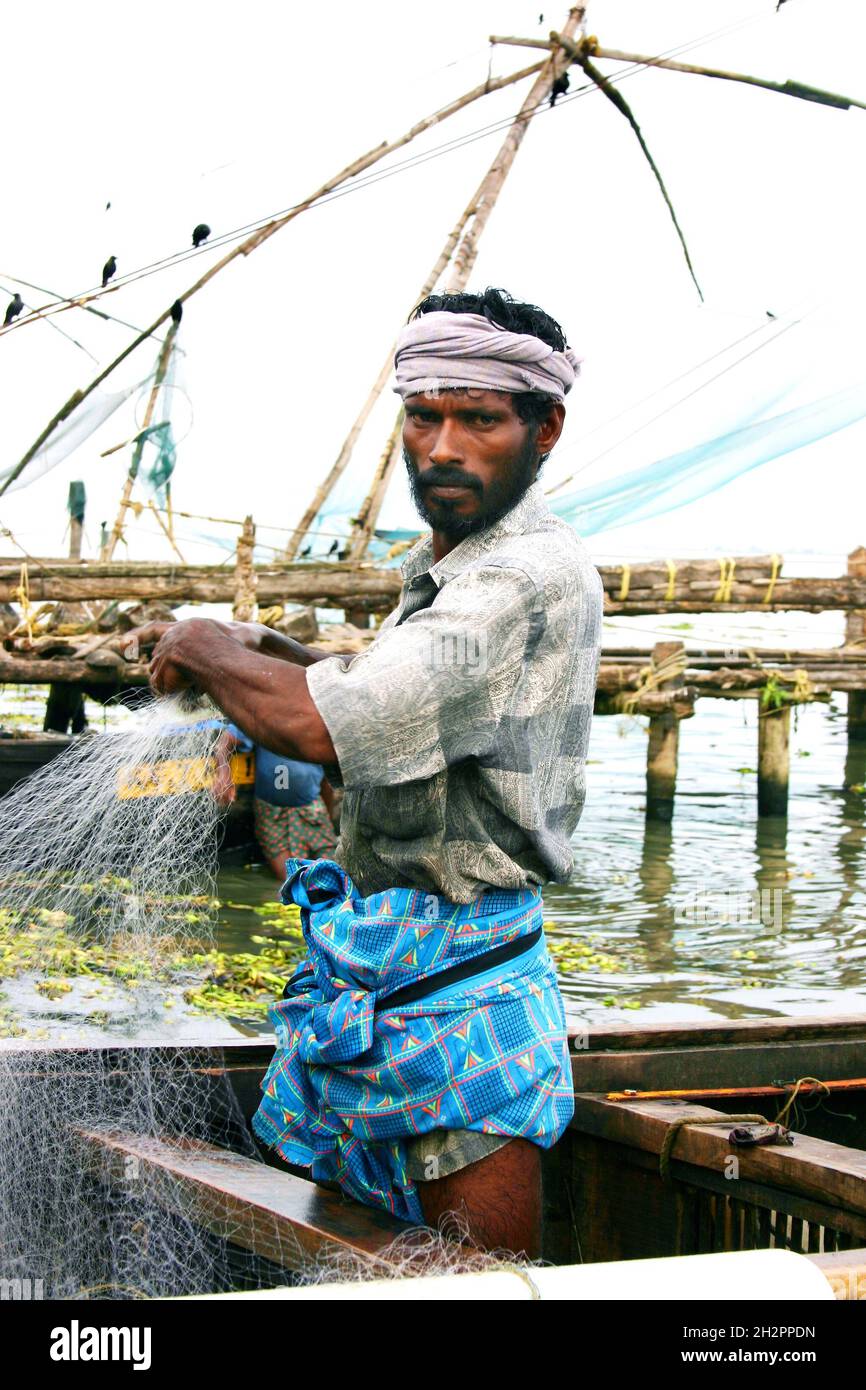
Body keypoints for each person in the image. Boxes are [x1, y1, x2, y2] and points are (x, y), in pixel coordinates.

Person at [130, 287, 603, 1256]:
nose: (442, 447)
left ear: (544, 429)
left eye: (479, 420)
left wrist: (207, 646)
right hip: (382, 970)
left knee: (475, 1281)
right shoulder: (453, 565)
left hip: (461, 987)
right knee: (360, 1259)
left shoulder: (517, 579)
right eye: (423, 417)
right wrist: (264, 647)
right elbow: (396, 700)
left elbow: (327, 727)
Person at [211, 724, 337, 878]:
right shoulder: (264, 719)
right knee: (290, 878)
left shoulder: (315, 723)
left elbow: (328, 782)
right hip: (273, 812)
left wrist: (328, 818)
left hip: (312, 809)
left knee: (331, 873)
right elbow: (225, 742)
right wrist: (223, 773)